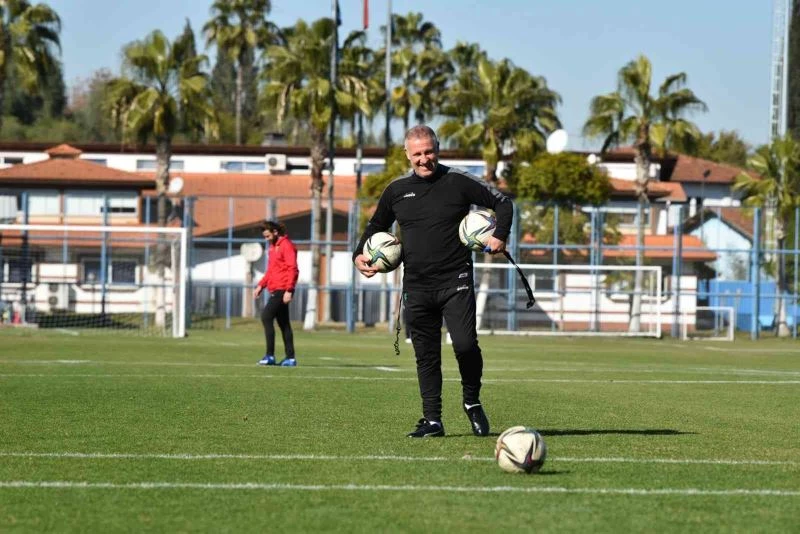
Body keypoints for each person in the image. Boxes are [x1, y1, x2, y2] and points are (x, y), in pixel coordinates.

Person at [353, 125, 514, 438]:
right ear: (407, 154)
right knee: (426, 355)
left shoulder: (458, 181)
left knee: (466, 346)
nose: (424, 159)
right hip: (416, 285)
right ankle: (432, 420)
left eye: (429, 152)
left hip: (456, 279)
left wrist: (499, 235)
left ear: (437, 150)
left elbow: (504, 203)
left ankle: (471, 401)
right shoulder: (396, 190)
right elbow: (376, 226)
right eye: (417, 154)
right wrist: (359, 254)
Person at [255, 220, 299, 367]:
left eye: (267, 236)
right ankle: (291, 358)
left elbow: (293, 268)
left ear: (275, 232)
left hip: (282, 289)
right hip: (275, 288)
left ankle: (269, 356)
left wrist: (289, 290)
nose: (266, 239)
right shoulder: (273, 247)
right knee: (284, 324)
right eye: (264, 237)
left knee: (266, 316)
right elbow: (271, 270)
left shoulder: (286, 245)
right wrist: (261, 285)